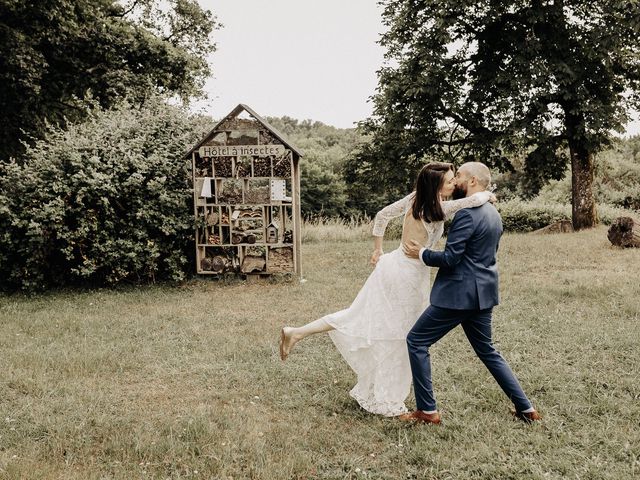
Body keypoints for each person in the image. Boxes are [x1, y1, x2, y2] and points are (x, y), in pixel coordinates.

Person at [279, 162, 495, 417]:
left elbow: (382, 215)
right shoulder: (435, 207)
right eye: (449, 181)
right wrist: (487, 194)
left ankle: (297, 332)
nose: (453, 184)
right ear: (436, 185)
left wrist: (378, 248)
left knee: (369, 321)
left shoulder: (418, 198)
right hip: (405, 275)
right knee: (399, 336)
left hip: (397, 266)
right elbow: (471, 202)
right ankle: (387, 401)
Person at [401, 162, 540, 424]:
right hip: (484, 293)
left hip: (458, 295)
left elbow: (452, 258)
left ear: (473, 181)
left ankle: (427, 411)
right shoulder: (493, 213)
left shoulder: (466, 214)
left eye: (460, 176)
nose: (455, 181)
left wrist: (420, 253)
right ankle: (527, 408)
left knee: (417, 341)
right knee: (488, 350)